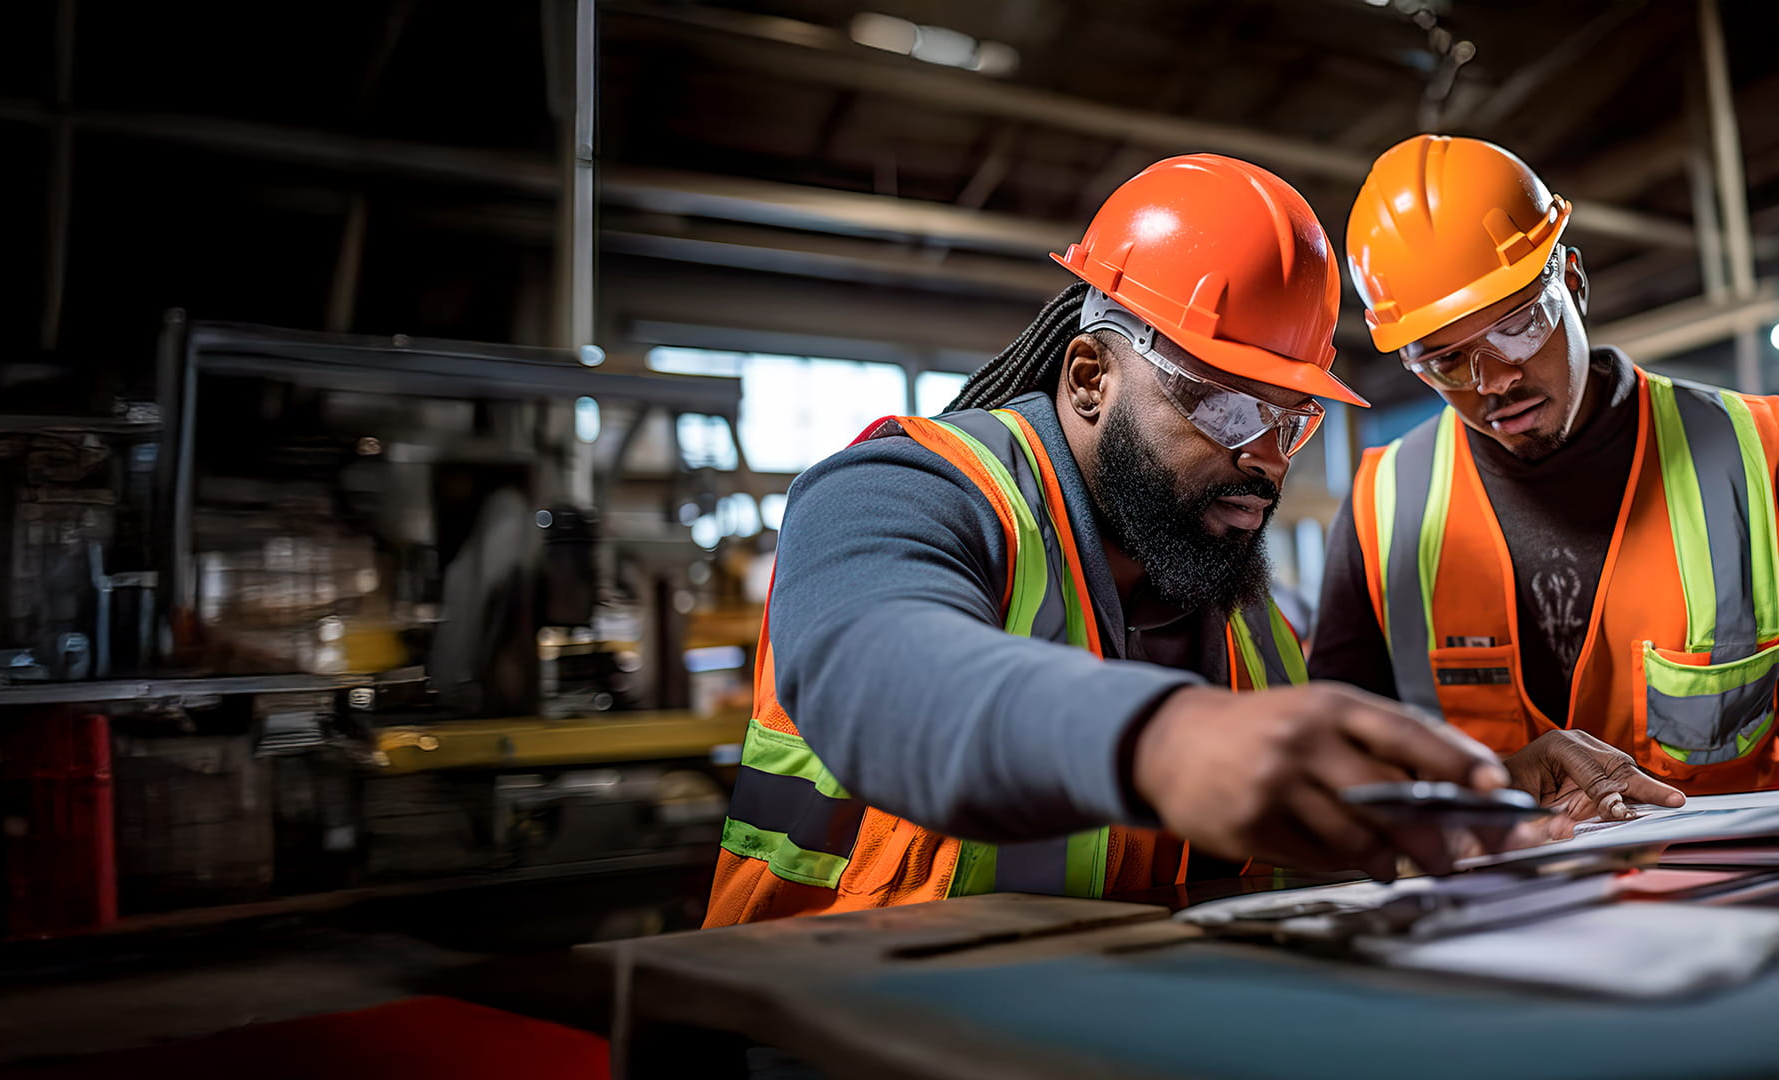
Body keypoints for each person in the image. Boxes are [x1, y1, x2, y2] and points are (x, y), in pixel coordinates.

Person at [705, 154, 1679, 928]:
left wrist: (1481, 793)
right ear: (1089, 378)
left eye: (1292, 420)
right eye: (1223, 405)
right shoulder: (907, 491)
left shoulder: (1240, 607)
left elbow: (1279, 803)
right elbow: (877, 669)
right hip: (816, 1028)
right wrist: (1162, 738)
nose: (1266, 459)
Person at [1313, 133, 1779, 796]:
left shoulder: (1761, 451)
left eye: (1518, 325)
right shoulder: (1380, 506)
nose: (1495, 380)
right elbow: (1342, 768)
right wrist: (1493, 787)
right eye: (1447, 361)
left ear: (1574, 282)